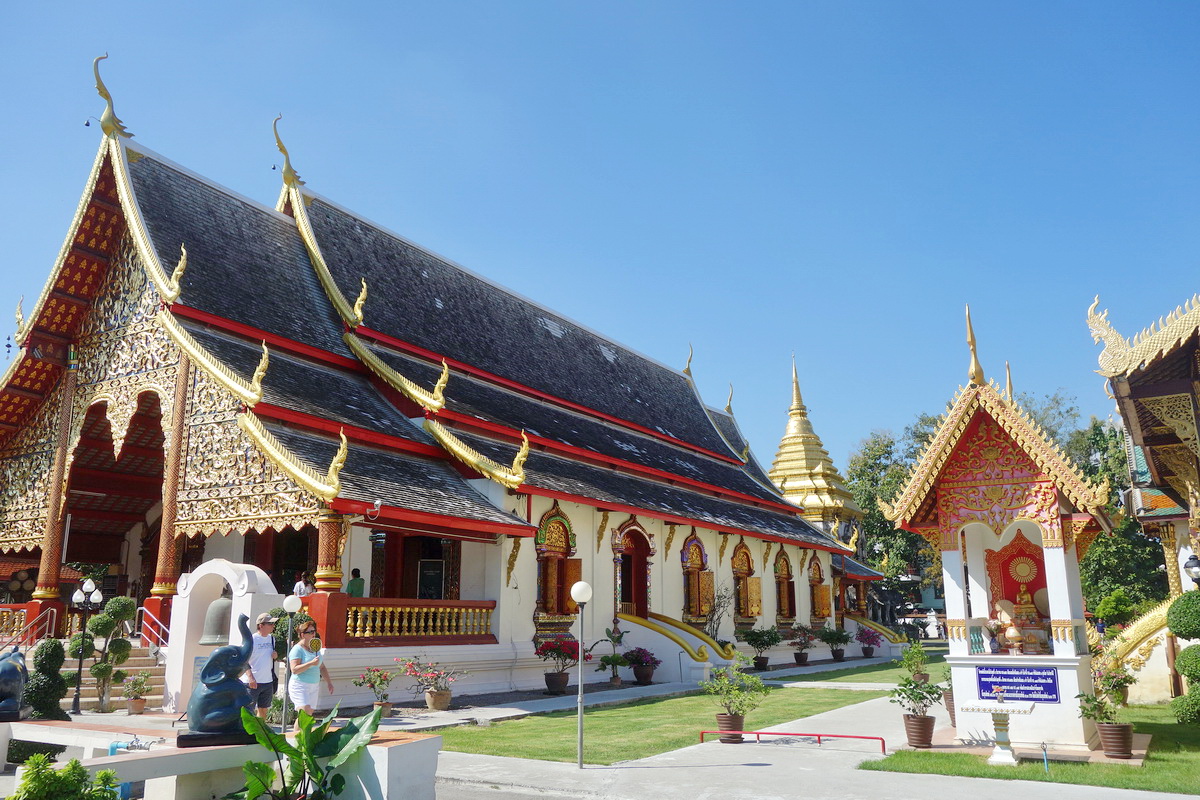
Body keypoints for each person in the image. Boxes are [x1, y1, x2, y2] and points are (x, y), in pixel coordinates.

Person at [288, 622, 334, 729]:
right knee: (303, 714)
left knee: (308, 715)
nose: (313, 634)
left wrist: (329, 683)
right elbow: (294, 670)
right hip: (300, 685)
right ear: (303, 635)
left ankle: (303, 738)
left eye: (314, 631)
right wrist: (310, 663)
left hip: (314, 685)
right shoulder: (297, 649)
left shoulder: (315, 648)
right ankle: (296, 740)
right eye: (310, 632)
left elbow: (322, 667)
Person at [243, 612, 278, 719]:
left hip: (267, 681)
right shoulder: (251, 639)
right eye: (270, 624)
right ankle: (246, 734)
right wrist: (250, 677)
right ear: (261, 625)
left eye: (273, 624)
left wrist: (275, 656)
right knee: (248, 710)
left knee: (263, 709)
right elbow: (244, 660)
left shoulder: (272, 639)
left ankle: (260, 733)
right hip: (253, 681)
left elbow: (269, 657)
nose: (273, 626)